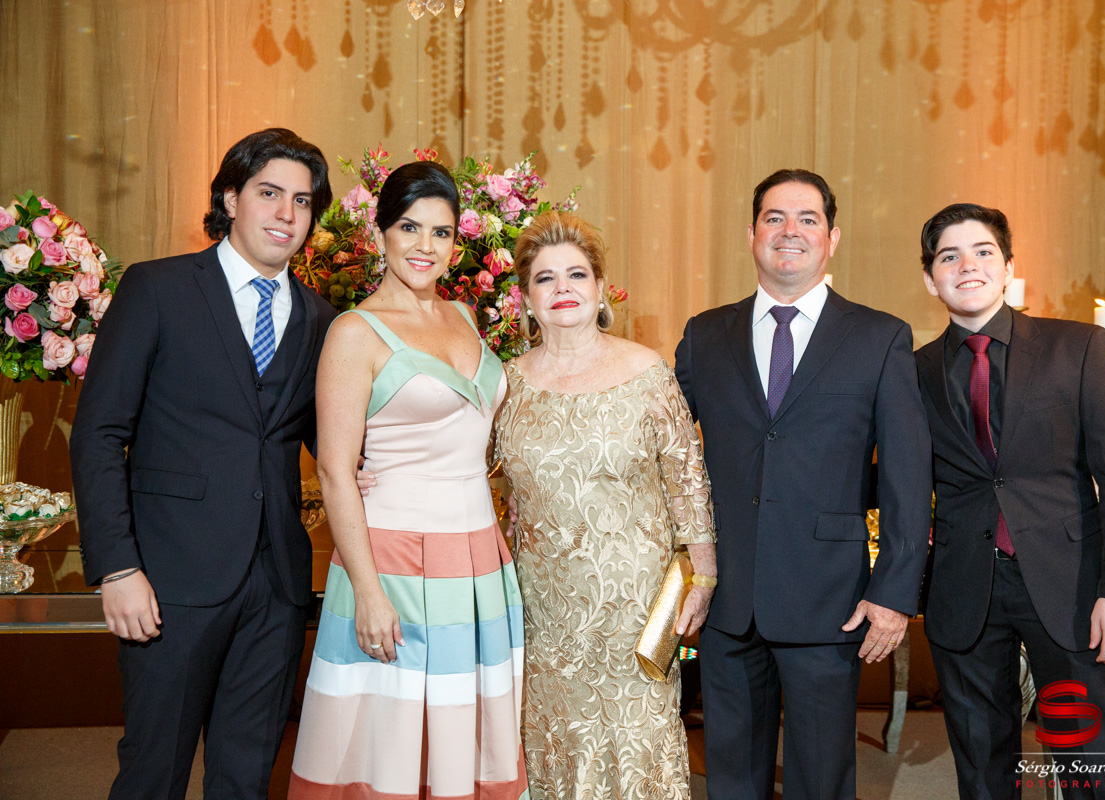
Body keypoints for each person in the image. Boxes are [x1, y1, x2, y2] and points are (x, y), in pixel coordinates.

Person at [69, 128, 338, 799]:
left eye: (302, 201)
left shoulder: (322, 319)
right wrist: (117, 568)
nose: (286, 214)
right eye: (269, 193)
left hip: (277, 586)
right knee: (153, 773)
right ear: (231, 198)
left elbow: (333, 447)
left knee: (245, 777)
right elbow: (99, 433)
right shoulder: (157, 288)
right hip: (168, 581)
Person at [674, 169, 932, 800]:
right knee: (732, 778)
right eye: (774, 218)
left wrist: (894, 592)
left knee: (822, 778)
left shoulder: (880, 337)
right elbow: (667, 455)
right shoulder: (706, 334)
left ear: (832, 238)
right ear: (752, 234)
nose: (790, 231)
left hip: (831, 600)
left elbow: (907, 476)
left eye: (807, 219)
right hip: (728, 599)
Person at [288, 161, 528, 799]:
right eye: (409, 227)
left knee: (465, 735)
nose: (426, 246)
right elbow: (335, 470)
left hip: (478, 557)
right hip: (394, 560)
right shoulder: (354, 332)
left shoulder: (465, 318)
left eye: (441, 232)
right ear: (381, 234)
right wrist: (368, 592)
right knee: (388, 741)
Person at [916, 203, 1105, 799]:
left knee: (1089, 762)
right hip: (964, 588)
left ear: (1009, 266)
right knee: (983, 769)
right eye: (949, 256)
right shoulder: (912, 371)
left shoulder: (1077, 346)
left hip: (1069, 587)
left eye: (983, 252)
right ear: (930, 279)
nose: (967, 266)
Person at [493, 211, 717, 799]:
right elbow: (476, 475)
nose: (562, 288)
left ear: (600, 289)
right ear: (526, 299)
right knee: (554, 741)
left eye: (576, 274)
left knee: (636, 742)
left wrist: (704, 576)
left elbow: (687, 479)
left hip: (637, 607)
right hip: (543, 610)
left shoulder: (646, 371)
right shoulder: (506, 384)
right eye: (545, 278)